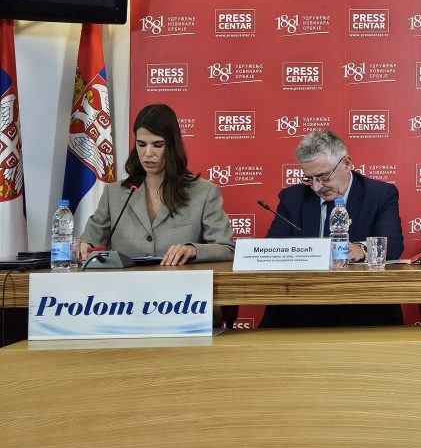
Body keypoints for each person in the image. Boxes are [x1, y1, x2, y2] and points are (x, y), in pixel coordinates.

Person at [261, 130, 404, 327]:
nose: (316, 187)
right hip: (302, 304)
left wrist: (361, 249)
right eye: (309, 178)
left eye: (324, 176)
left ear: (347, 163)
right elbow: (274, 248)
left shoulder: (380, 194)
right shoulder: (291, 198)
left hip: (362, 303)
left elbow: (393, 244)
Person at [78, 103, 234, 265]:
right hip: (125, 281)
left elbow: (226, 248)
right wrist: (85, 247)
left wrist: (193, 249)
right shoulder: (113, 193)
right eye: (141, 144)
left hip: (180, 281)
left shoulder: (204, 192)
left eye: (158, 145)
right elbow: (89, 243)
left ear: (172, 146)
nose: (148, 153)